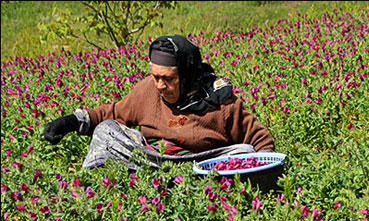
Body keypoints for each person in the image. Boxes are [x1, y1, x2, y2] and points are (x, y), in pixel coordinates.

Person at [43, 34, 275, 170]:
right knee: (106, 132)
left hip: (202, 167)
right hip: (153, 161)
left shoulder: (219, 101)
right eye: (156, 77)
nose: (160, 86)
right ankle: (98, 187)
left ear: (187, 76)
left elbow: (258, 139)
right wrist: (71, 121)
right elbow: (113, 113)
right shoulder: (149, 90)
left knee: (244, 151)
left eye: (169, 78)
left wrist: (266, 173)